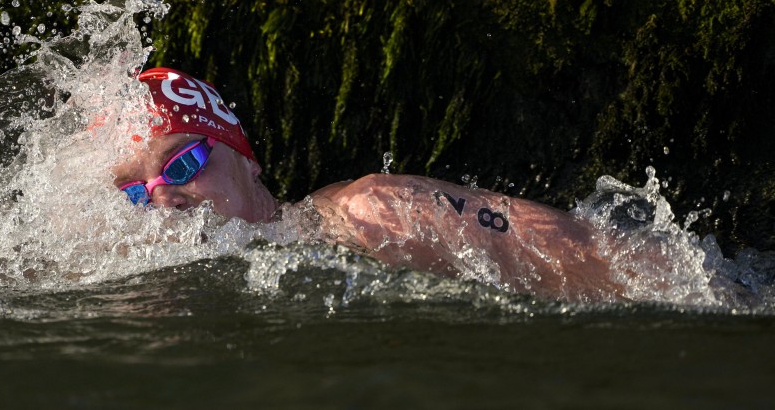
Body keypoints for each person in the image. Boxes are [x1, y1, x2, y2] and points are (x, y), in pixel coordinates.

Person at [112, 67, 631, 302]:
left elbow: (601, 258)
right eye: (137, 193)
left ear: (249, 162)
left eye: (181, 165)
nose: (163, 198)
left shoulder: (369, 213)